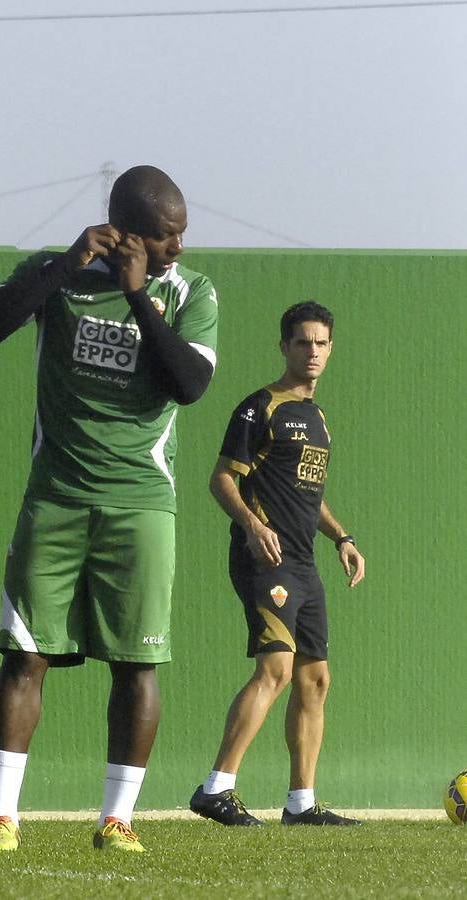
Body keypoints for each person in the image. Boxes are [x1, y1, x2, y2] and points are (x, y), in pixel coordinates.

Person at [0, 166, 219, 852]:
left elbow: (190, 384)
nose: (178, 247)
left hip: (141, 504)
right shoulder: (58, 275)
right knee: (25, 655)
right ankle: (0, 817)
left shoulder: (190, 291)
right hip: (55, 497)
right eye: (167, 235)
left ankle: (117, 819)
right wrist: (58, 267)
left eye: (181, 235)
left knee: (138, 666)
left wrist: (140, 295)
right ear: (129, 230)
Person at [189, 301, 365, 827]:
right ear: (284, 346)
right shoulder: (258, 407)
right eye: (303, 342)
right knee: (277, 669)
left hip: (306, 564)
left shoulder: (318, 420)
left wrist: (342, 537)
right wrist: (252, 524)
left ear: (331, 349)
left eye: (321, 343)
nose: (312, 351)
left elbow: (308, 497)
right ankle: (216, 788)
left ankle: (301, 803)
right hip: (266, 559)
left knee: (316, 680)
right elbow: (222, 478)